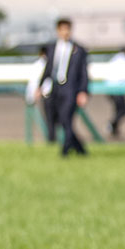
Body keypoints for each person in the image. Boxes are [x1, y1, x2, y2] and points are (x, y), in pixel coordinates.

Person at [35, 17, 90, 157]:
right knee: (60, 121)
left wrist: (83, 91)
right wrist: (39, 86)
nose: (65, 32)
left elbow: (84, 73)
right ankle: (80, 150)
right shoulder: (52, 48)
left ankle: (64, 152)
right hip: (55, 88)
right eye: (62, 29)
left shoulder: (79, 49)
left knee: (66, 118)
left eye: (67, 29)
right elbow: (48, 69)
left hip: (70, 89)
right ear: (58, 31)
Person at [104, 45, 125, 138]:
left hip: (110, 88)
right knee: (123, 110)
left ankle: (114, 129)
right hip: (117, 89)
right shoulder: (124, 60)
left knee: (118, 110)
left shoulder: (115, 59)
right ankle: (111, 125)